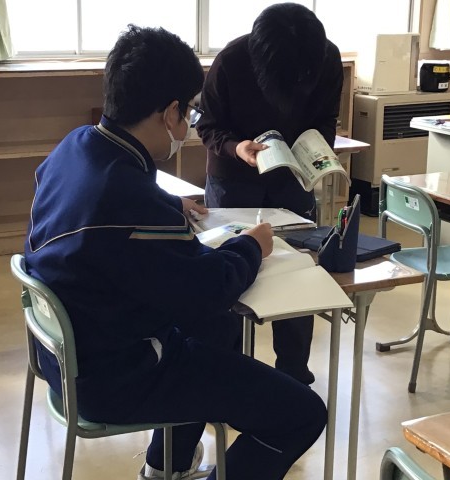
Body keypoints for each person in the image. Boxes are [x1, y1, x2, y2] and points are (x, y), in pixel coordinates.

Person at [25, 25, 327, 480]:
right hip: (116, 376)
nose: (187, 123)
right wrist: (251, 245)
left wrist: (168, 205)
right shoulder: (130, 200)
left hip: (68, 355)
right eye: (188, 111)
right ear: (170, 113)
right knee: (302, 413)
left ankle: (165, 466)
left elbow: (109, 215)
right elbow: (209, 288)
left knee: (218, 328)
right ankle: (172, 461)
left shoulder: (78, 147)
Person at [197, 3, 344, 386]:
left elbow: (326, 119)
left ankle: (294, 376)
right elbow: (208, 126)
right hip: (234, 180)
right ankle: (226, 376)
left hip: (292, 180)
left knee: (298, 273)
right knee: (228, 275)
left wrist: (318, 152)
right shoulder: (232, 60)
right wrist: (236, 147)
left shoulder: (325, 59)